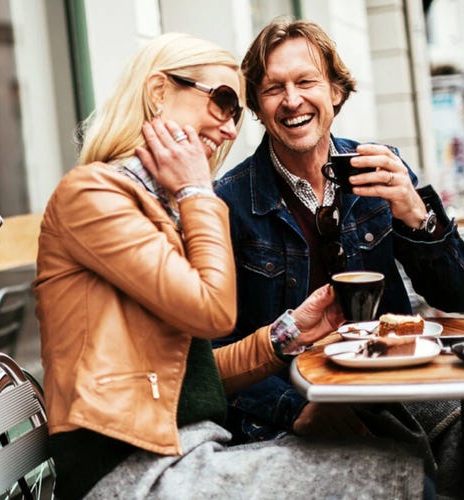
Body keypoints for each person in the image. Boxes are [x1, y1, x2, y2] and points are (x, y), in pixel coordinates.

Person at [34, 32, 427, 499]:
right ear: (158, 92)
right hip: (131, 469)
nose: (229, 129)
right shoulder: (94, 195)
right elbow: (214, 313)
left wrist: (290, 331)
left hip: (190, 447)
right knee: (397, 473)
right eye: (222, 102)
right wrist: (198, 190)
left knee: (400, 454)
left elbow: (199, 373)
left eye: (237, 113)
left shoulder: (159, 208)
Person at [213, 17, 464, 497]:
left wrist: (416, 213)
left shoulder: (380, 168)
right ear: (257, 105)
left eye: (306, 81)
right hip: (292, 403)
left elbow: (460, 296)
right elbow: (215, 355)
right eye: (274, 88)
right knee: (395, 469)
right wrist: (296, 410)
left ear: (336, 91)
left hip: (392, 383)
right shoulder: (228, 202)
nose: (292, 100)